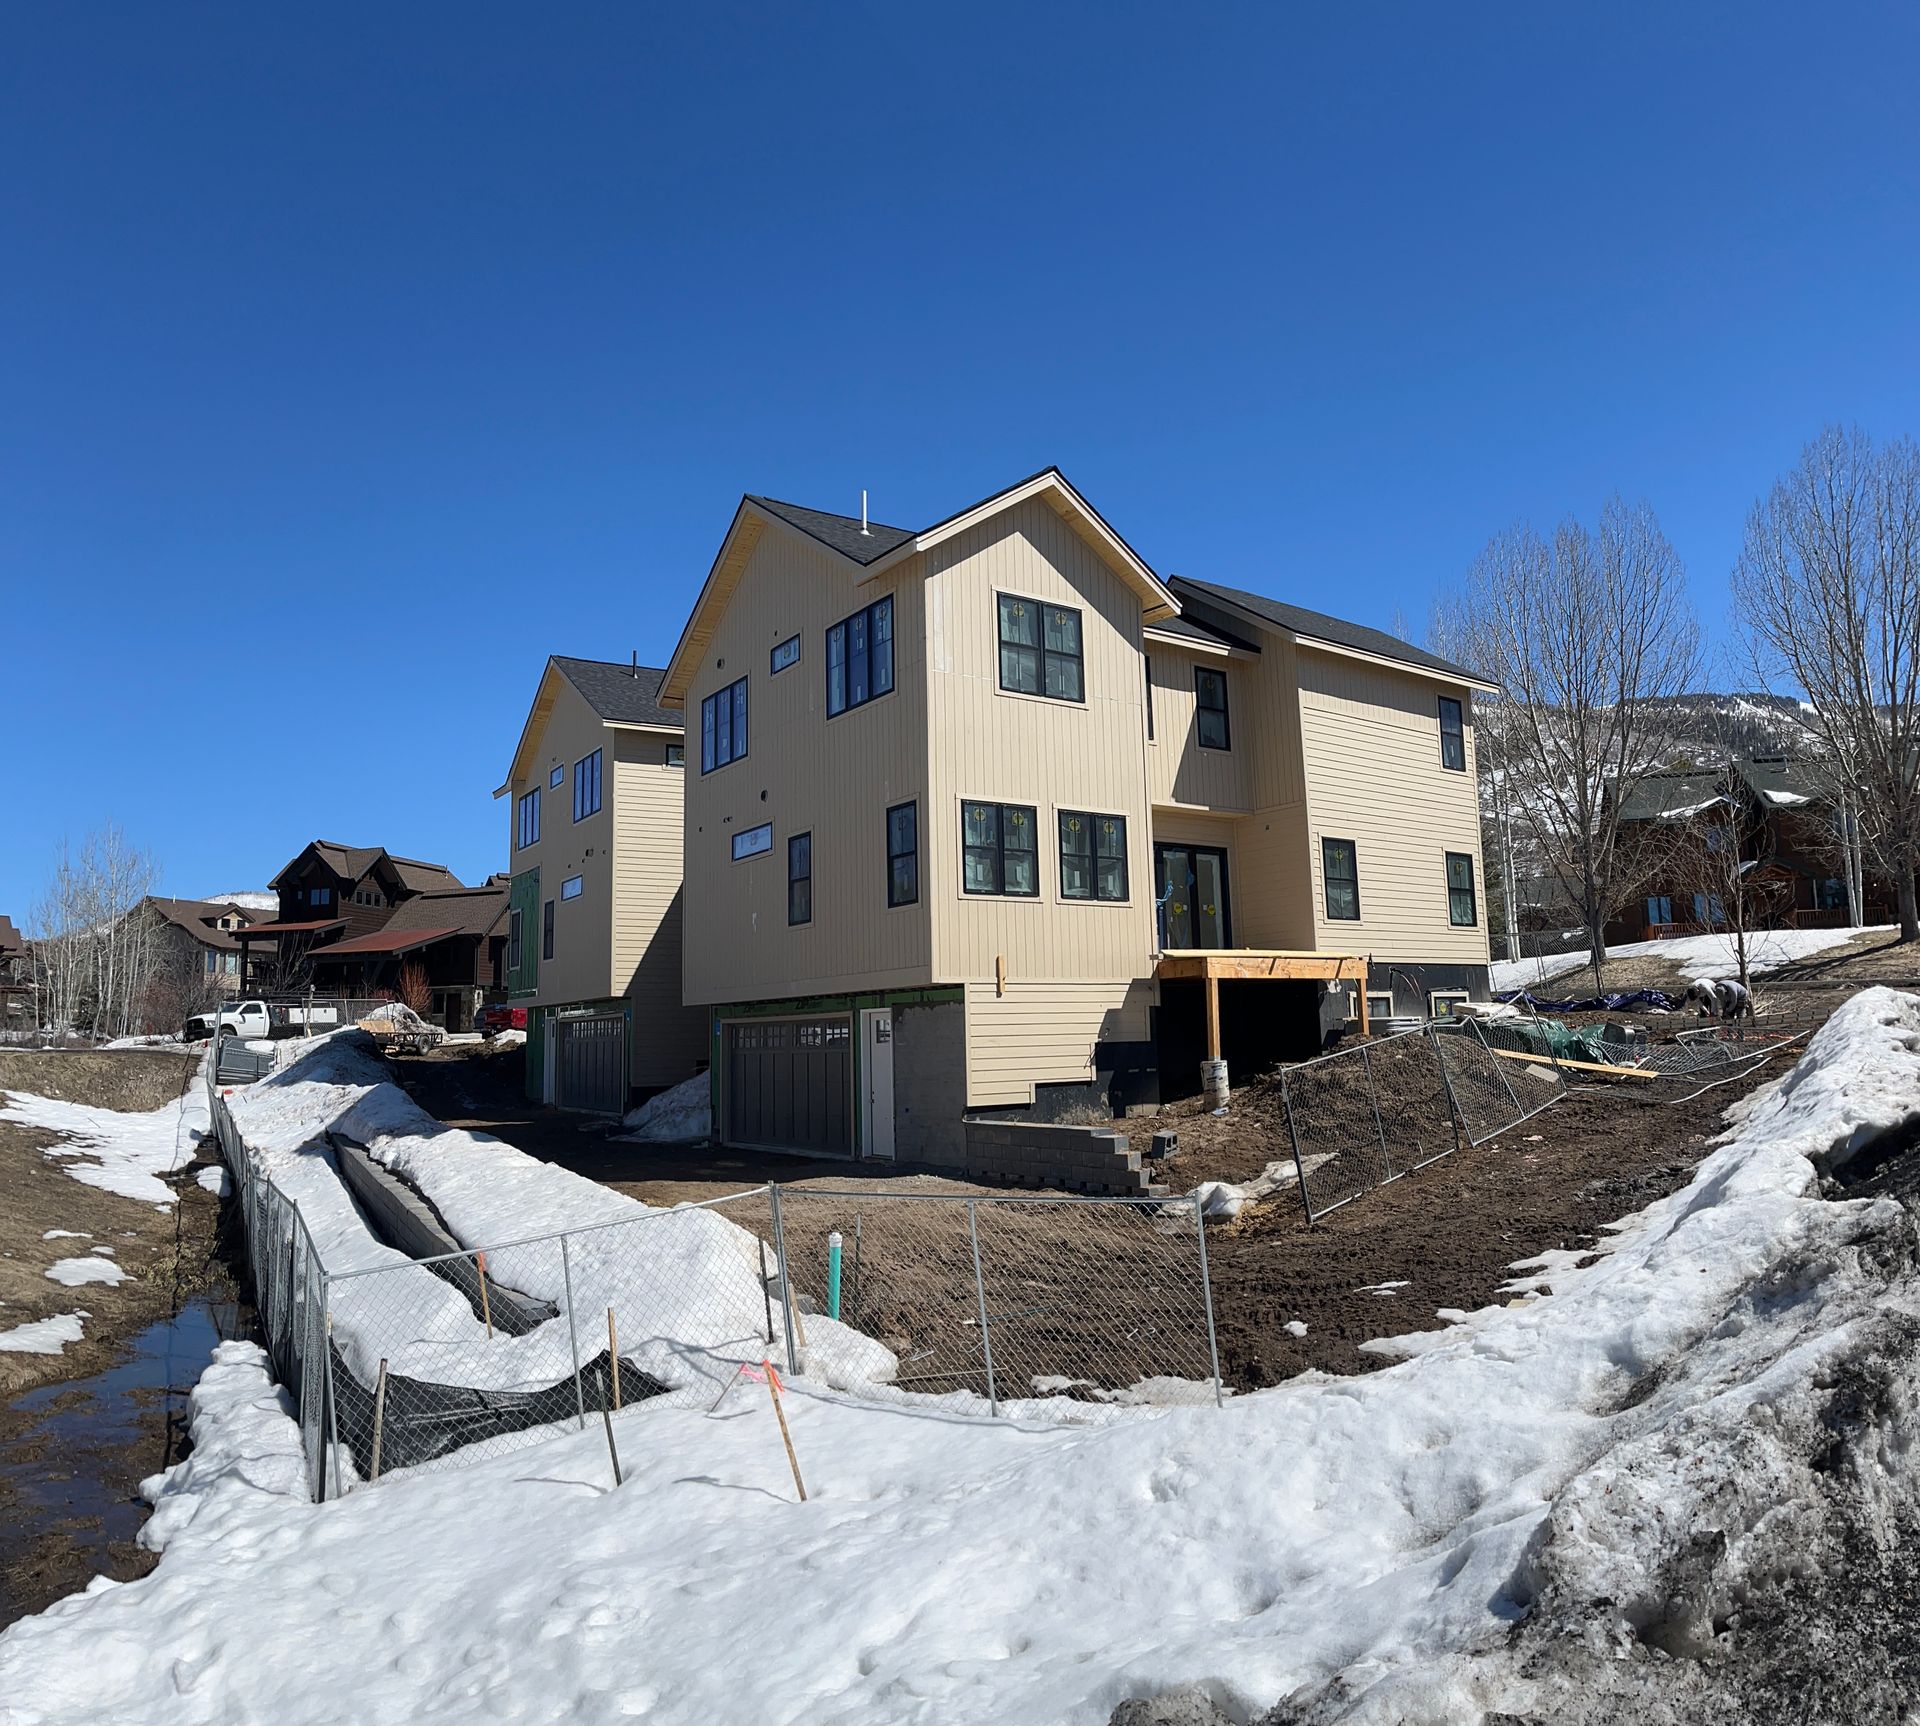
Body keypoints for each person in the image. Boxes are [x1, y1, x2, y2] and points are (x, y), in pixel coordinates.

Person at [1685, 977, 1754, 1021]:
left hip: (1740, 996)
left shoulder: (1705, 987)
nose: (1698, 997)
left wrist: (1713, 1012)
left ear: (1697, 991)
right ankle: (1705, 1030)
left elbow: (1714, 998)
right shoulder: (1691, 991)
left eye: (1698, 995)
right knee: (1704, 1014)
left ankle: (1714, 1031)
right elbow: (1699, 1002)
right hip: (1719, 993)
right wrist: (1706, 1011)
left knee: (1739, 1013)